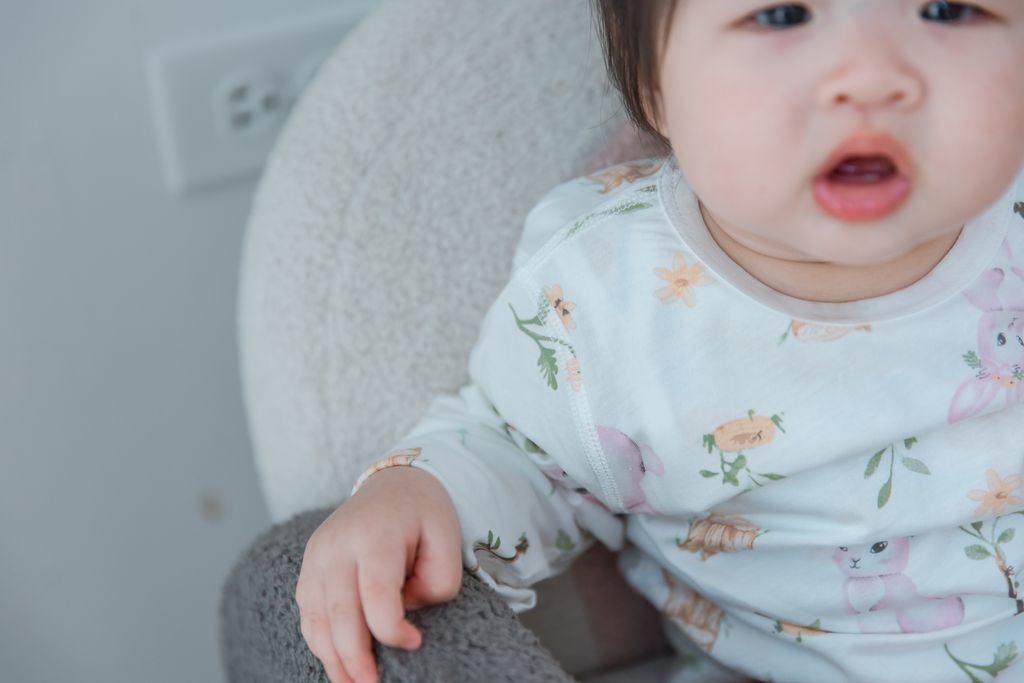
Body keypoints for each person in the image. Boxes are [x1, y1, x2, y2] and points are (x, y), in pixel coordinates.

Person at [295, 2, 1024, 681]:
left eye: (946, 9)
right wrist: (418, 496)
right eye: (781, 15)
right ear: (655, 90)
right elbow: (519, 455)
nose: (872, 79)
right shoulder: (610, 291)